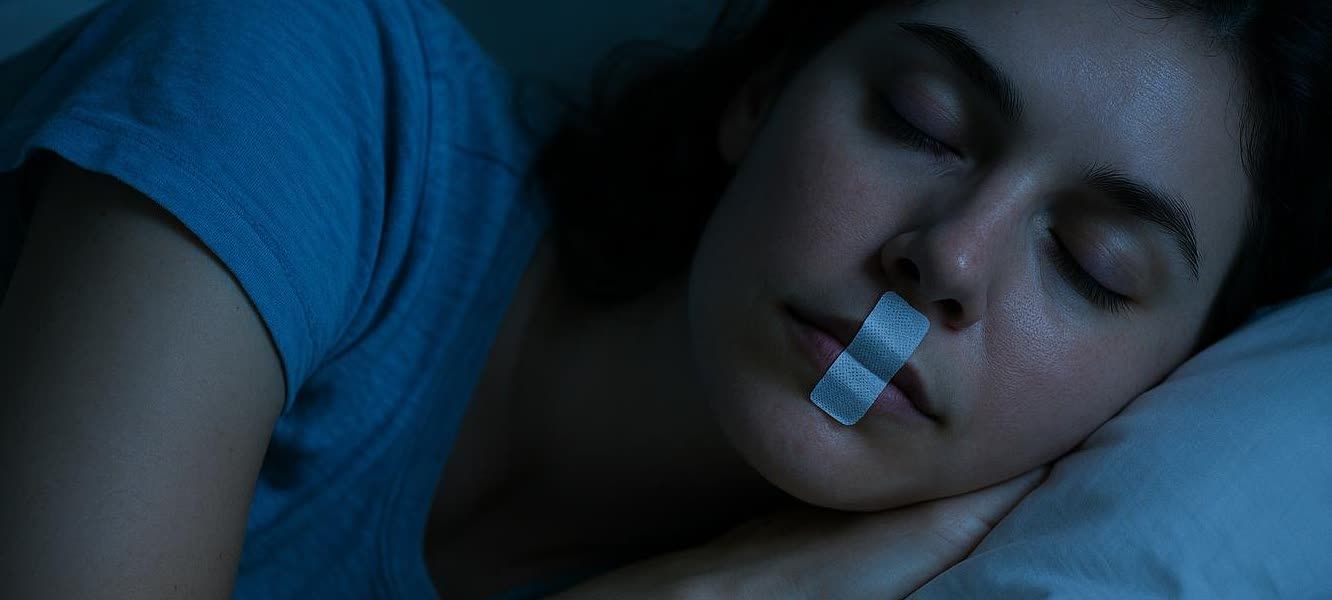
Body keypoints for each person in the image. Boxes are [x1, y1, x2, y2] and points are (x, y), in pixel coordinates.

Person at [0, 0, 1327, 598]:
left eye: (1092, 267)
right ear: (766, 91)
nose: (951, 258)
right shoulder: (316, 84)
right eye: (924, 120)